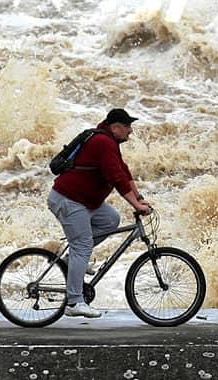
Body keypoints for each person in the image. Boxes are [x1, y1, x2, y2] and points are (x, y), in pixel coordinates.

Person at [47, 107, 152, 318]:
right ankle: (74, 303)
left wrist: (139, 198)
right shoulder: (103, 143)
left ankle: (70, 261)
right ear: (115, 127)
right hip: (69, 200)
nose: (130, 131)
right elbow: (116, 178)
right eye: (127, 126)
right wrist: (136, 206)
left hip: (84, 202)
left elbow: (124, 171)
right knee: (83, 246)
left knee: (111, 219)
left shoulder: (109, 143)